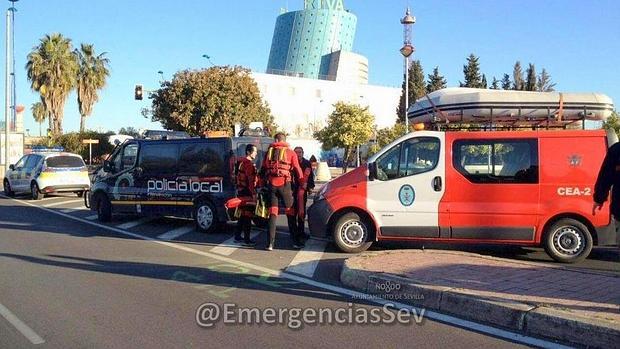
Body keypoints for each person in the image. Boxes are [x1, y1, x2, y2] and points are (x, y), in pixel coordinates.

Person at [260, 133, 304, 250]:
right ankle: (295, 242)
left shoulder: (269, 152)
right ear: (284, 140)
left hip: (271, 185)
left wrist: (261, 184)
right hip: (285, 185)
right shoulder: (290, 152)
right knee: (290, 212)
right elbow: (297, 169)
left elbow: (263, 169)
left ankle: (270, 243)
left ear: (276, 140)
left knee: (273, 214)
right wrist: (302, 182)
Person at [233, 144, 258, 246]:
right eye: (255, 151)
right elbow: (250, 181)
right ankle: (247, 240)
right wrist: (254, 194)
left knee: (243, 214)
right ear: (248, 152)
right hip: (247, 192)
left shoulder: (239, 162)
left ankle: (237, 236)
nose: (256, 153)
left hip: (240, 190)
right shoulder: (248, 164)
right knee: (248, 215)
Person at [293, 147, 315, 241]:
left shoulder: (306, 163)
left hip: (303, 190)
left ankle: (301, 231)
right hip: (293, 191)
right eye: (296, 152)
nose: (298, 154)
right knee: (293, 211)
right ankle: (294, 231)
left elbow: (310, 177)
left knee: (302, 212)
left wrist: (310, 187)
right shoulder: (292, 163)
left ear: (303, 153)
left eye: (300, 152)